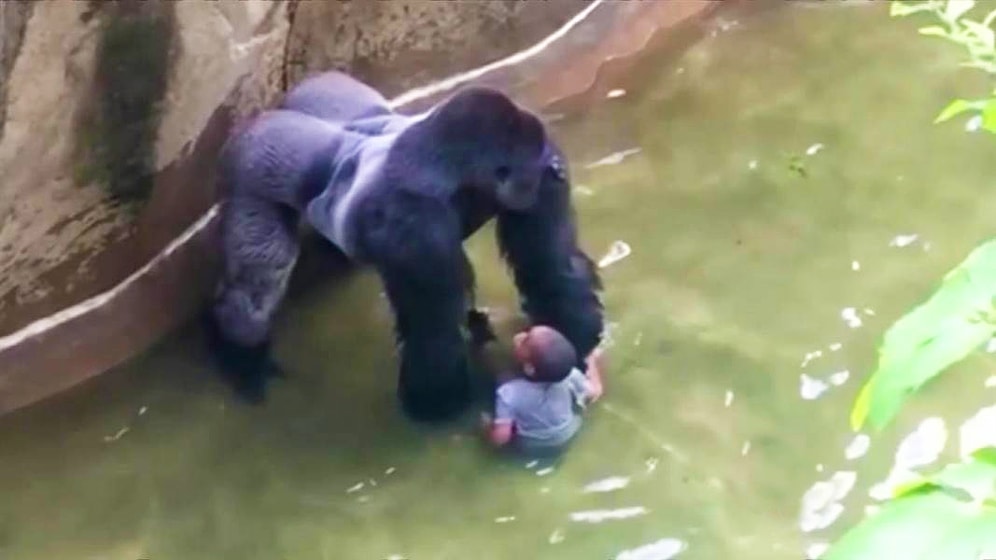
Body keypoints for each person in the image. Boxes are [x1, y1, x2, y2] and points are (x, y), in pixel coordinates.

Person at [479, 325, 605, 456]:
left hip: (533, 444)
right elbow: (595, 392)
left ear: (529, 368)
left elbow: (502, 437)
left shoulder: (509, 393)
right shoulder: (571, 375)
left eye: (525, 340)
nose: (521, 336)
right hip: (569, 432)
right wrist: (592, 361)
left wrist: (487, 430)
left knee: (485, 420)